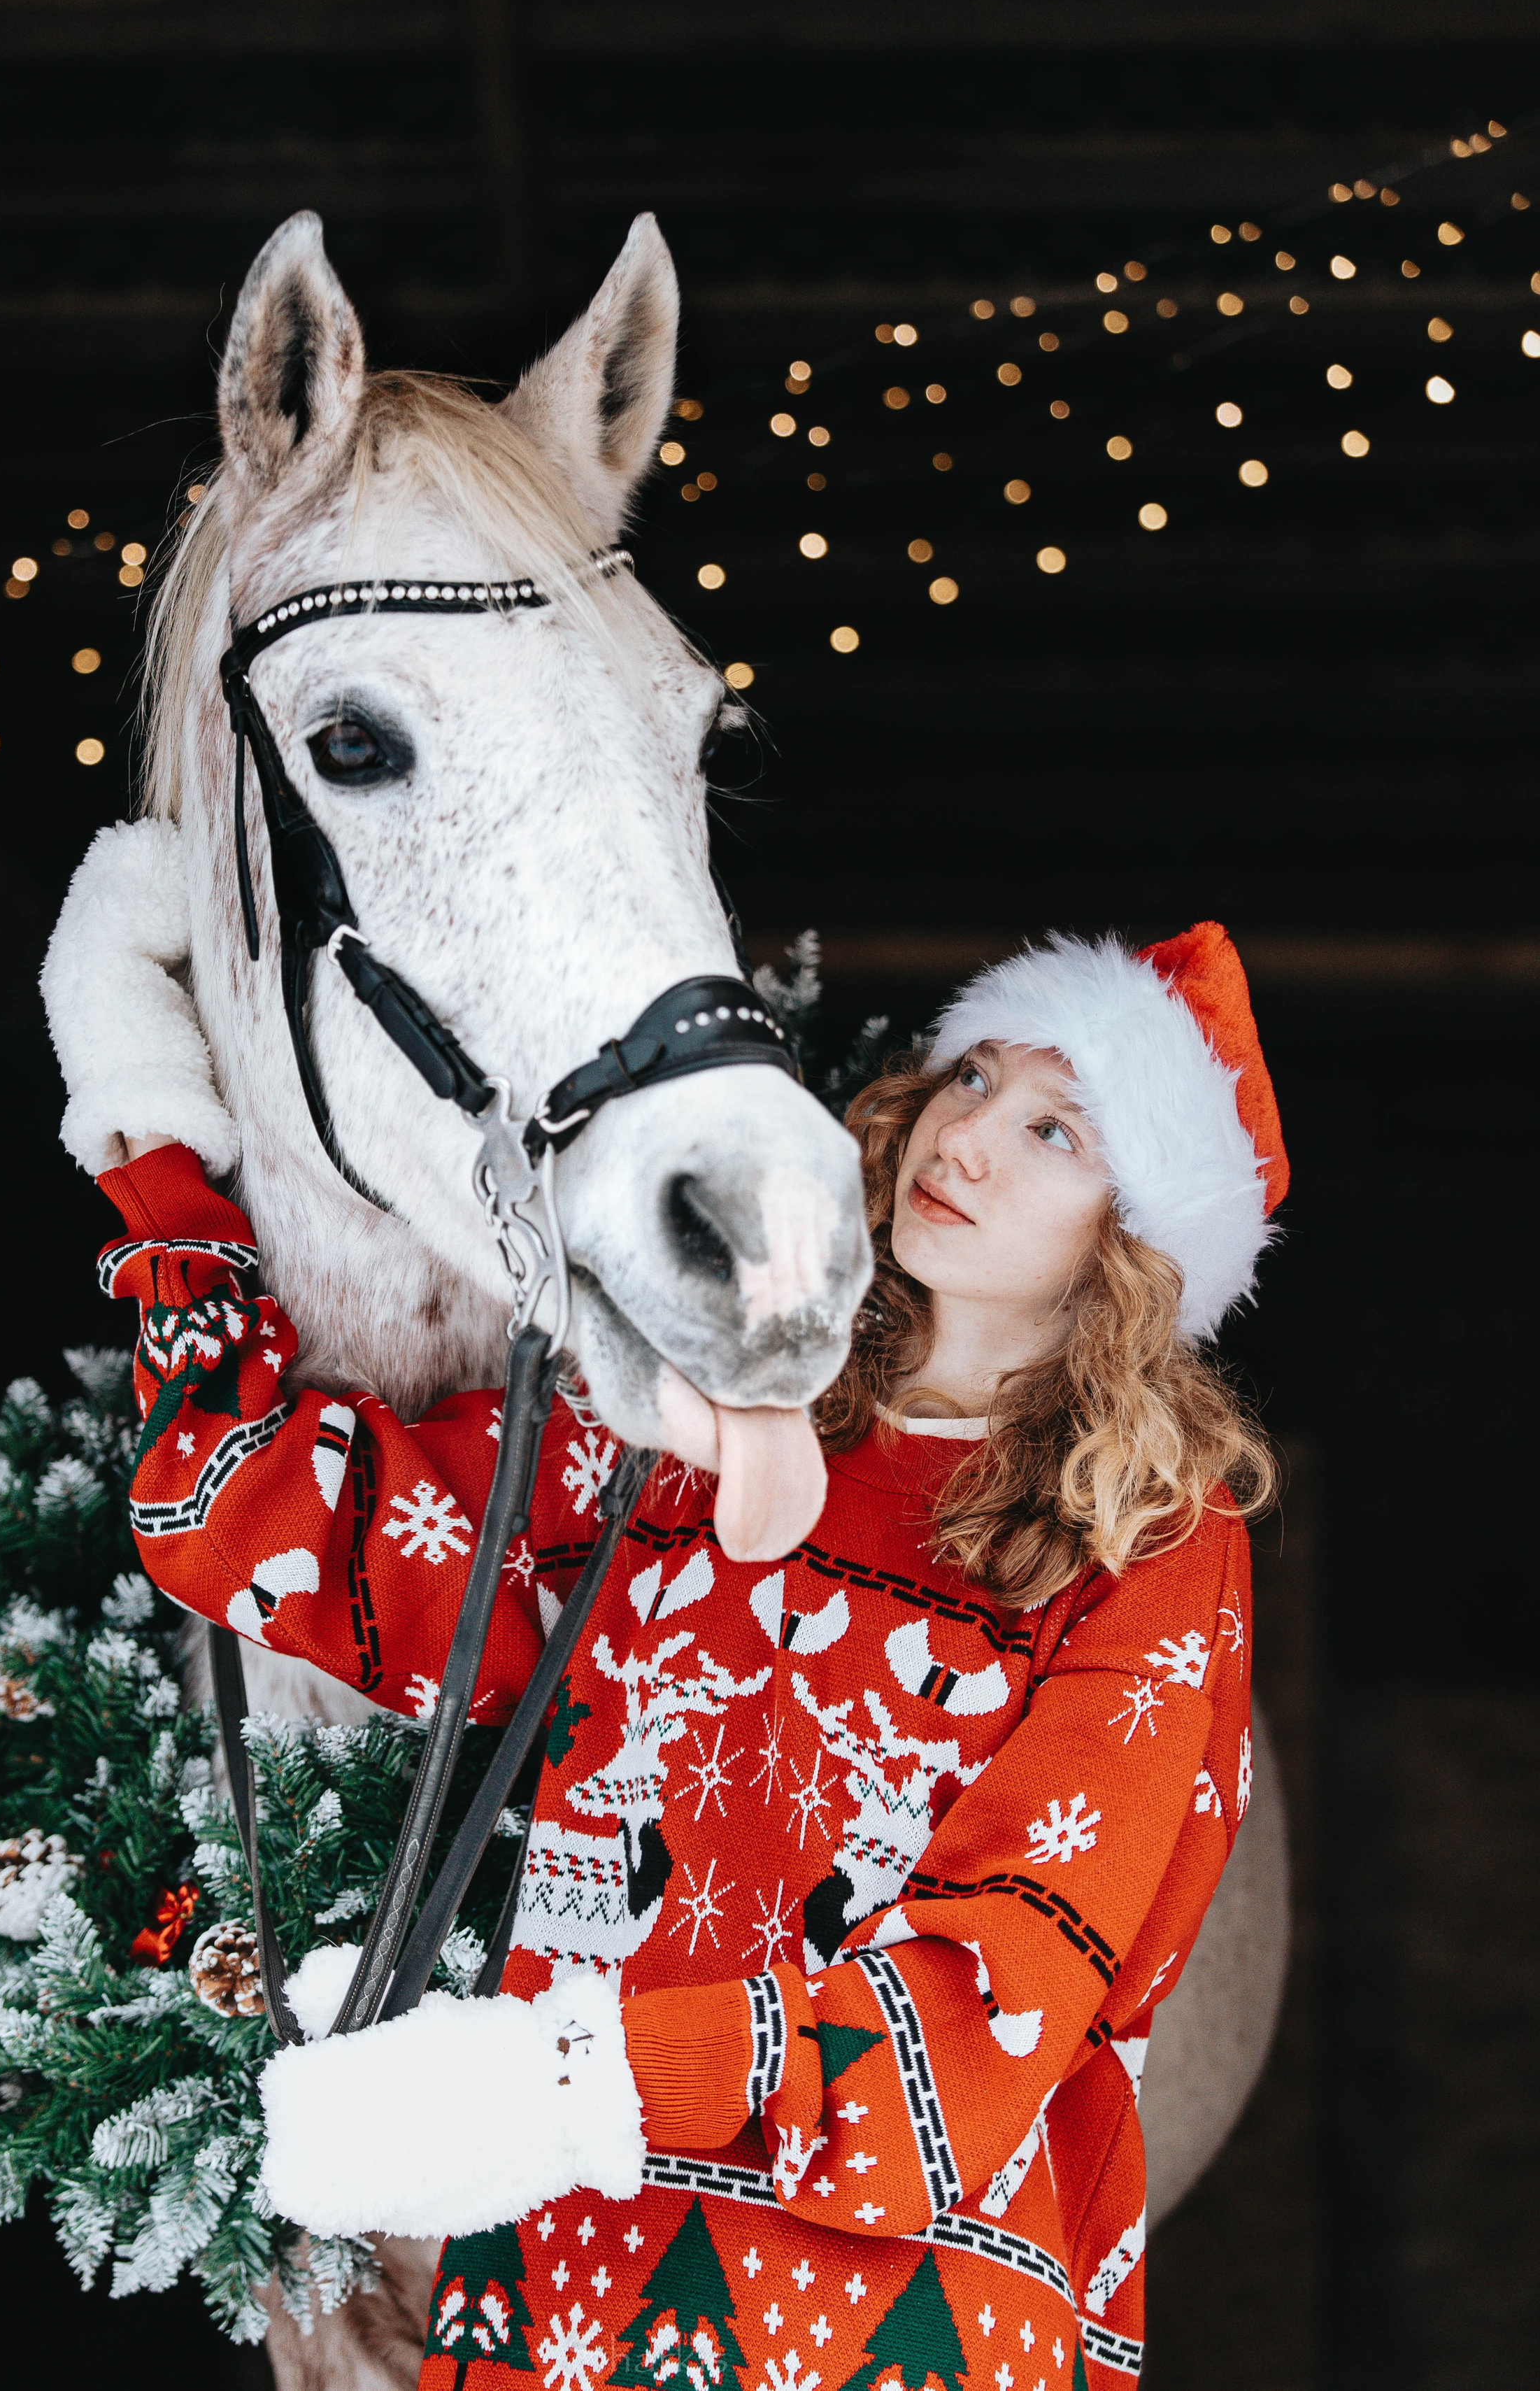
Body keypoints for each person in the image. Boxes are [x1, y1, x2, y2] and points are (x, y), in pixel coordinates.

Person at [97, 919, 1284, 2390]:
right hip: (555, 2302)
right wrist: (153, 1151)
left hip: (891, 2332)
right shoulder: (693, 1431)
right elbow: (270, 1516)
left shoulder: (1149, 1546)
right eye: (972, 1076)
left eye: (1056, 1129)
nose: (967, 1135)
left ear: (1137, 1240)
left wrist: (562, 2086)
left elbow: (995, 1999)